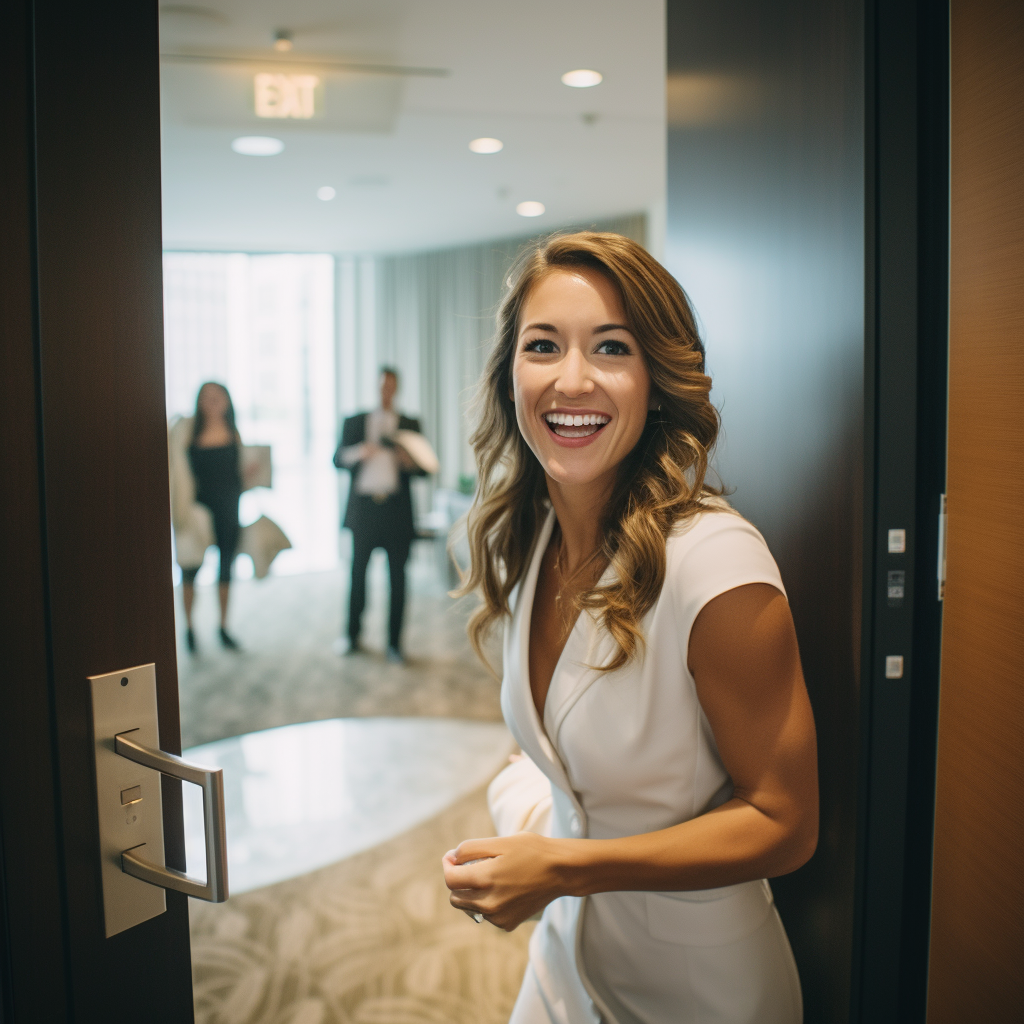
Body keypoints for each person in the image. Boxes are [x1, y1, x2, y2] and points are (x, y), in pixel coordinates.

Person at [442, 233, 818, 1024]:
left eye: (611, 348)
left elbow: (786, 823)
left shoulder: (716, 562)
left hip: (699, 990)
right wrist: (530, 820)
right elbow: (551, 746)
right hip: (564, 963)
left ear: (656, 382)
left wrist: (563, 868)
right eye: (543, 346)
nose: (570, 380)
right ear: (511, 374)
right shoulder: (533, 535)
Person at [334, 367, 431, 662]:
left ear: (396, 388)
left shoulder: (410, 424)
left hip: (396, 511)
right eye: (381, 385)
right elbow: (337, 458)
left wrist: (408, 462)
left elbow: (425, 470)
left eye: (390, 386)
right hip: (363, 510)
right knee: (357, 576)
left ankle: (394, 644)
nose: (385, 390)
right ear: (376, 387)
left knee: (398, 579)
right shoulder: (355, 421)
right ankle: (352, 636)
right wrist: (359, 452)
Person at [169, 382, 244, 652]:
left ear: (227, 400)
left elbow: (239, 472)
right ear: (199, 402)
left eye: (218, 396)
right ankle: (189, 628)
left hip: (229, 507)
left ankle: (223, 627)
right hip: (197, 511)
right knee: (190, 569)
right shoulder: (189, 432)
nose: (213, 402)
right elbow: (178, 472)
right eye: (207, 397)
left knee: (226, 568)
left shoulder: (233, 430)